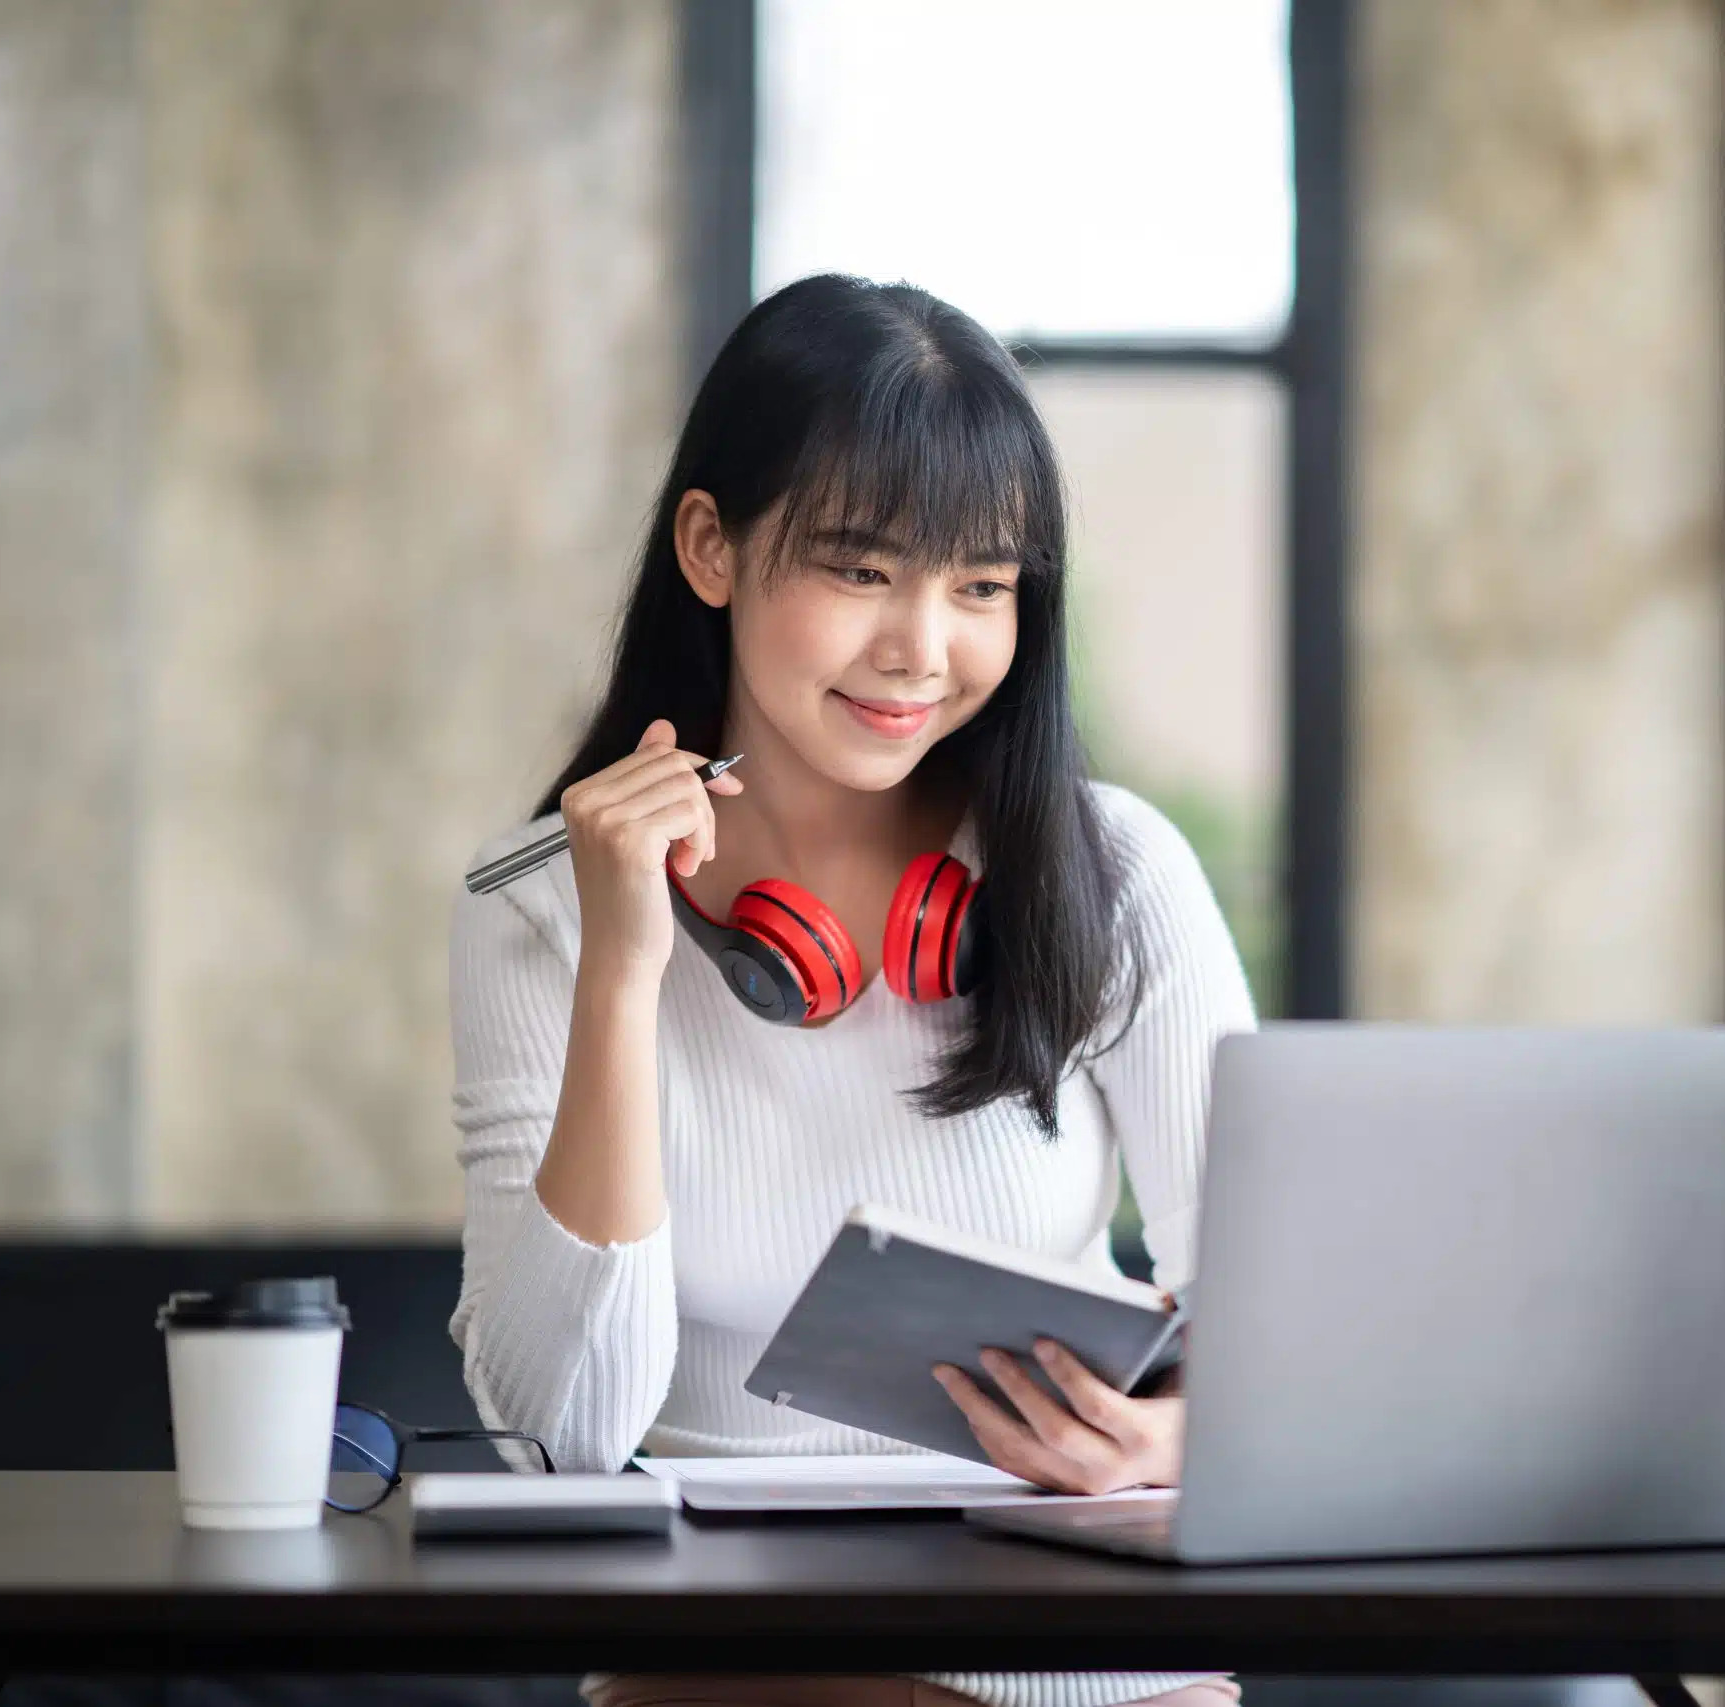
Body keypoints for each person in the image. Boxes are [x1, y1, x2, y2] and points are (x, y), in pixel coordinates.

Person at [445, 273, 1255, 1707]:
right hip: (743, 1656)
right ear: (711, 545)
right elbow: (564, 1433)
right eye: (862, 569)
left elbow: (1288, 1333)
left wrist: (1177, 1444)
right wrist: (627, 967)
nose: (922, 651)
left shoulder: (1114, 871)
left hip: (1081, 1642)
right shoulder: (544, 914)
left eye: (982, 587)